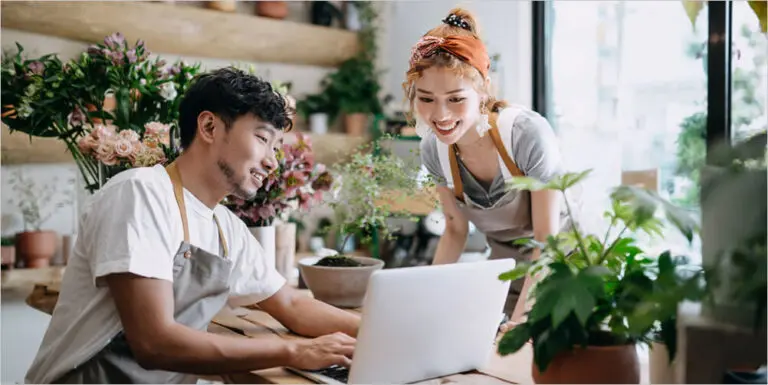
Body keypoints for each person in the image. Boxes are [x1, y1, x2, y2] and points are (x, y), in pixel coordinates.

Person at [25, 67, 359, 384]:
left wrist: (381, 328)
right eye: (262, 139)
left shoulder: (226, 228)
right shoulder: (140, 194)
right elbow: (154, 342)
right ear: (209, 127)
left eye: (275, 148)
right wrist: (294, 351)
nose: (272, 161)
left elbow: (292, 305)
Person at [405, 9, 574, 323]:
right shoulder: (435, 148)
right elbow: (455, 231)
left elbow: (546, 239)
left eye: (455, 99)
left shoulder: (525, 134)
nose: (440, 115)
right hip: (508, 275)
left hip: (566, 269)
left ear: (482, 91)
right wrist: (425, 302)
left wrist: (520, 321)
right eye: (426, 99)